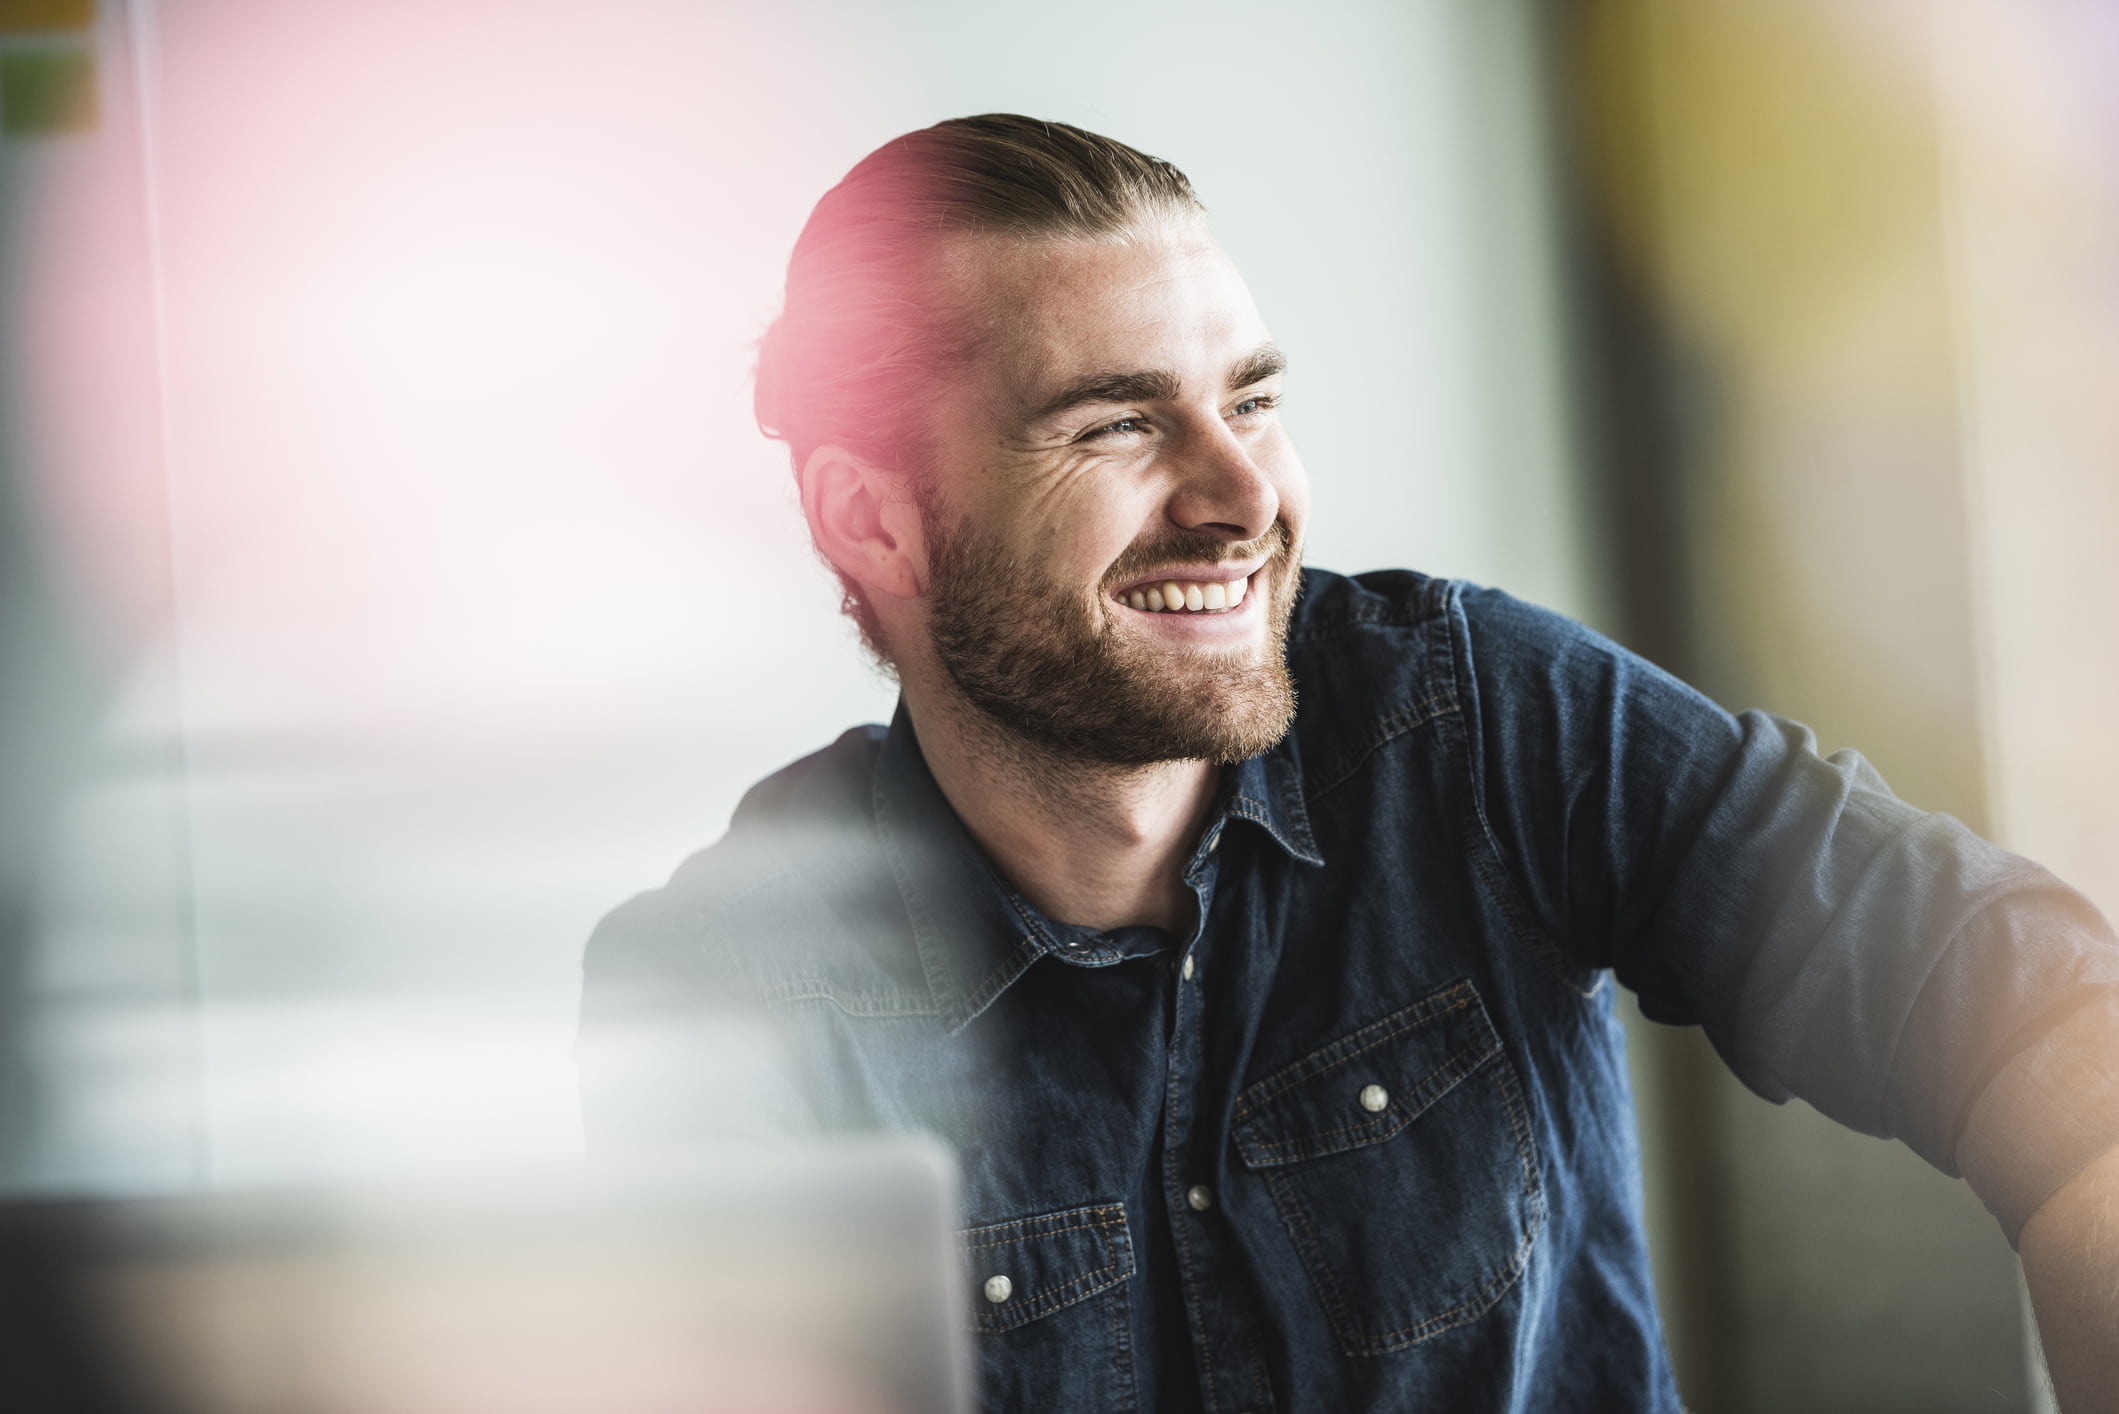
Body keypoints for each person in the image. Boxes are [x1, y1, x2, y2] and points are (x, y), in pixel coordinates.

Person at [577, 115, 2119, 1411]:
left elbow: (2022, 1009)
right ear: (872, 520)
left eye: (1251, 399)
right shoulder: (730, 989)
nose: (1244, 493)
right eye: (1118, 425)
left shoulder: (1478, 716)